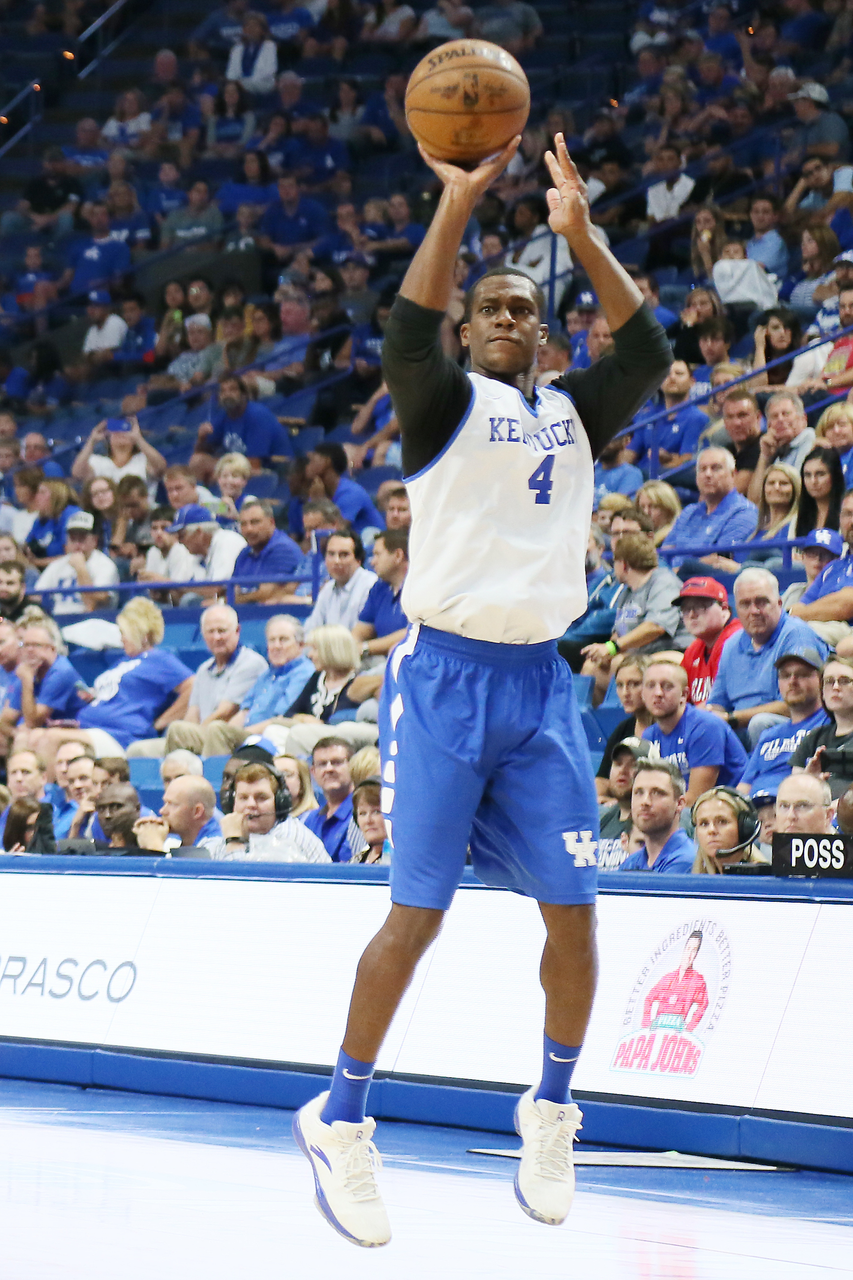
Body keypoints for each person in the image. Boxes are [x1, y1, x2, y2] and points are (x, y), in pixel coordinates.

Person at [291, 132, 672, 1246]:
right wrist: (456, 201)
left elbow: (645, 346)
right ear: (469, 331)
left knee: (578, 912)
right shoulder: (439, 398)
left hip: (541, 687)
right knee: (416, 914)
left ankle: (551, 1106)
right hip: (443, 681)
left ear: (545, 334)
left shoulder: (573, 411)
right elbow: (407, 325)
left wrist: (581, 235)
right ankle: (343, 1116)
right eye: (489, 309)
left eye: (522, 309)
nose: (506, 318)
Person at [708, 568, 830, 747]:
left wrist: (733, 719)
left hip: (794, 728)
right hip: (738, 732)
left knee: (760, 723)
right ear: (736, 609)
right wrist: (712, 716)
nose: (754, 611)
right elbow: (717, 702)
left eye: (762, 602)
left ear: (779, 604)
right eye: (745, 604)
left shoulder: (796, 635)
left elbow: (795, 704)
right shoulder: (731, 644)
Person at [128, 605, 266, 758]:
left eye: (222, 631)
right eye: (210, 632)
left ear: (237, 631)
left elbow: (226, 712)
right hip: (201, 734)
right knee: (138, 750)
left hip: (225, 736)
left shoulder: (251, 663)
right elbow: (192, 714)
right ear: (203, 634)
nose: (216, 637)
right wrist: (189, 733)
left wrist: (189, 733)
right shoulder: (203, 669)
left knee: (182, 730)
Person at [169, 614, 313, 758]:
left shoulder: (304, 673)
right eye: (272, 640)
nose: (276, 646)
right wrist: (229, 731)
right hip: (245, 732)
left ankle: (214, 778)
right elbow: (243, 712)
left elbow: (280, 719)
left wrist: (234, 733)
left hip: (268, 736)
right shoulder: (267, 674)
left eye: (283, 640)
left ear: (300, 645)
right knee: (179, 730)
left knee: (217, 729)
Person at [581, 534, 689, 697]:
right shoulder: (627, 592)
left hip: (673, 651)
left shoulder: (663, 582)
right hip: (639, 655)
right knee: (591, 667)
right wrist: (604, 651)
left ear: (623, 564)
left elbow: (655, 627)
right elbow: (618, 633)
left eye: (614, 563)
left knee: (621, 665)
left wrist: (614, 648)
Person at [738, 646, 828, 796]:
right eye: (785, 675)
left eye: (802, 674)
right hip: (756, 810)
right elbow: (743, 788)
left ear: (821, 680)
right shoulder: (769, 735)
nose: (792, 681)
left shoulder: (829, 722)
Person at [212, 760, 330, 861]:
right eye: (243, 798)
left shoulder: (288, 838)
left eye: (261, 798)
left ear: (279, 803)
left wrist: (234, 842)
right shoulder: (236, 831)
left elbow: (243, 885)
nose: (251, 804)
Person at [663, 448, 758, 570]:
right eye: (702, 469)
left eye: (716, 468)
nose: (708, 474)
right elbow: (664, 555)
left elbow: (719, 562)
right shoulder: (688, 512)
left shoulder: (745, 512)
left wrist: (676, 571)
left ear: (733, 474)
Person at [0, 616, 83, 747]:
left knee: (28, 738)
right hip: (45, 730)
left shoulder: (61, 671)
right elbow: (5, 720)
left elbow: (33, 722)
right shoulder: (26, 670)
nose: (30, 650)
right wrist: (15, 733)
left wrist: (27, 681)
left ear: (52, 649)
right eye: (26, 645)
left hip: (74, 729)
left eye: (36, 645)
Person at [790, 655, 853, 798]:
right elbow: (793, 793)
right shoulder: (814, 737)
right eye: (829, 681)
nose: (836, 687)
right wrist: (809, 779)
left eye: (844, 681)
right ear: (822, 692)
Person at [34, 511, 119, 615]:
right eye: (73, 539)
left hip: (92, 621)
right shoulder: (57, 565)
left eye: (82, 539)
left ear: (94, 540)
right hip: (58, 621)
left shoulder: (105, 566)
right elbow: (36, 596)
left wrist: (81, 568)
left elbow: (91, 605)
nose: (77, 545)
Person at [619, 758, 696, 872]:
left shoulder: (687, 861)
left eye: (656, 793)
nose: (645, 801)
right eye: (639, 792)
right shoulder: (631, 862)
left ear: (679, 804)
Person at [677, 577, 742, 707]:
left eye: (700, 607)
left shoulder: (736, 639)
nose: (691, 615)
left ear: (724, 609)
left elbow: (725, 703)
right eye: (685, 609)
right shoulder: (693, 650)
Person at [746, 393, 817, 507]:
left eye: (786, 414)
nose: (780, 419)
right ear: (769, 426)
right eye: (774, 416)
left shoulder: (808, 439)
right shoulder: (778, 452)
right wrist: (764, 456)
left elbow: (800, 491)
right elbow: (753, 503)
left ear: (803, 419)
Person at [167, 504, 247, 600]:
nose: (179, 541)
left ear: (199, 533)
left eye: (182, 536)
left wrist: (167, 583)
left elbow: (216, 590)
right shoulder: (198, 555)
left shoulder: (228, 542)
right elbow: (195, 590)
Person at [304, 530, 377, 632]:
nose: (336, 561)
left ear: (358, 559)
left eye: (344, 554)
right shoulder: (327, 589)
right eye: (331, 554)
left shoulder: (371, 586)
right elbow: (311, 630)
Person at [353, 528, 409, 662]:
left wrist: (365, 648)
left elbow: (411, 634)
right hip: (377, 661)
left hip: (406, 665)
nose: (372, 562)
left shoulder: (419, 588)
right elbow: (361, 629)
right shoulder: (379, 587)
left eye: (377, 555)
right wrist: (349, 648)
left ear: (398, 556)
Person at [304, 445, 385, 537]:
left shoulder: (351, 493)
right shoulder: (318, 491)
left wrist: (318, 501)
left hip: (371, 544)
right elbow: (310, 532)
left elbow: (338, 531)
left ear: (327, 461)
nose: (307, 466)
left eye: (312, 461)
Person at [232, 499, 301, 605]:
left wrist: (232, 600)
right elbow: (232, 589)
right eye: (243, 524)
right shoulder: (244, 553)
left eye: (255, 522)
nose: (248, 529)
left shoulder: (283, 549)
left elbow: (268, 594)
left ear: (271, 522)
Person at [71, 416, 167, 491]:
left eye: (125, 430)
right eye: (115, 430)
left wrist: (138, 439)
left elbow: (161, 468)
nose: (120, 433)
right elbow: (77, 473)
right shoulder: (97, 461)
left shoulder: (143, 459)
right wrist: (91, 440)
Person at [597, 737, 650, 871]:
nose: (622, 770)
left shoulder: (653, 823)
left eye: (633, 765)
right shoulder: (602, 820)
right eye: (617, 764)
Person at [133, 775, 222, 853]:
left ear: (197, 811)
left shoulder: (216, 847)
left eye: (172, 804)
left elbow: (180, 872)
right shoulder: (176, 841)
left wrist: (154, 846)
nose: (162, 811)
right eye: (165, 803)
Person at [302, 736, 356, 862]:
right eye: (322, 764)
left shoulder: (363, 815)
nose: (329, 769)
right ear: (313, 772)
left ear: (353, 766)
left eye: (336, 762)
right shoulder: (309, 820)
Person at [349, 776, 390, 865]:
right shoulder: (355, 861)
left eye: (376, 812)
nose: (368, 820)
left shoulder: (400, 864)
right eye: (362, 814)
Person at [636, 481, 682, 548]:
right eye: (642, 507)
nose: (646, 512)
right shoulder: (637, 538)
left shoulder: (675, 537)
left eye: (653, 506)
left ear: (668, 509)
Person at [275, 752, 319, 818]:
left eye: (287, 774)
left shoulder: (312, 820)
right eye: (274, 774)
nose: (280, 779)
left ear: (302, 784)